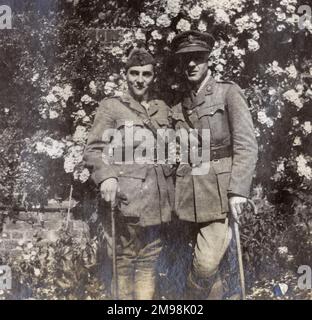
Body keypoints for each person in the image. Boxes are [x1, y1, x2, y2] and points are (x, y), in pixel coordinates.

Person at [170, 31, 258, 299]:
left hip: (220, 193)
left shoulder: (228, 93)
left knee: (206, 263)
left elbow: (246, 144)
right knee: (210, 267)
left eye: (197, 58)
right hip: (188, 194)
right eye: (186, 60)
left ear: (208, 59)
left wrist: (238, 191)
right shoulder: (179, 103)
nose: (192, 65)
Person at [83, 45, 174, 300]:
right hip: (127, 199)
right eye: (134, 73)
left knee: (148, 261)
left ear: (153, 77)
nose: (140, 80)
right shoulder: (112, 107)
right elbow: (93, 149)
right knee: (123, 262)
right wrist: (107, 176)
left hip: (157, 200)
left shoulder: (162, 109)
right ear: (126, 75)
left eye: (146, 74)